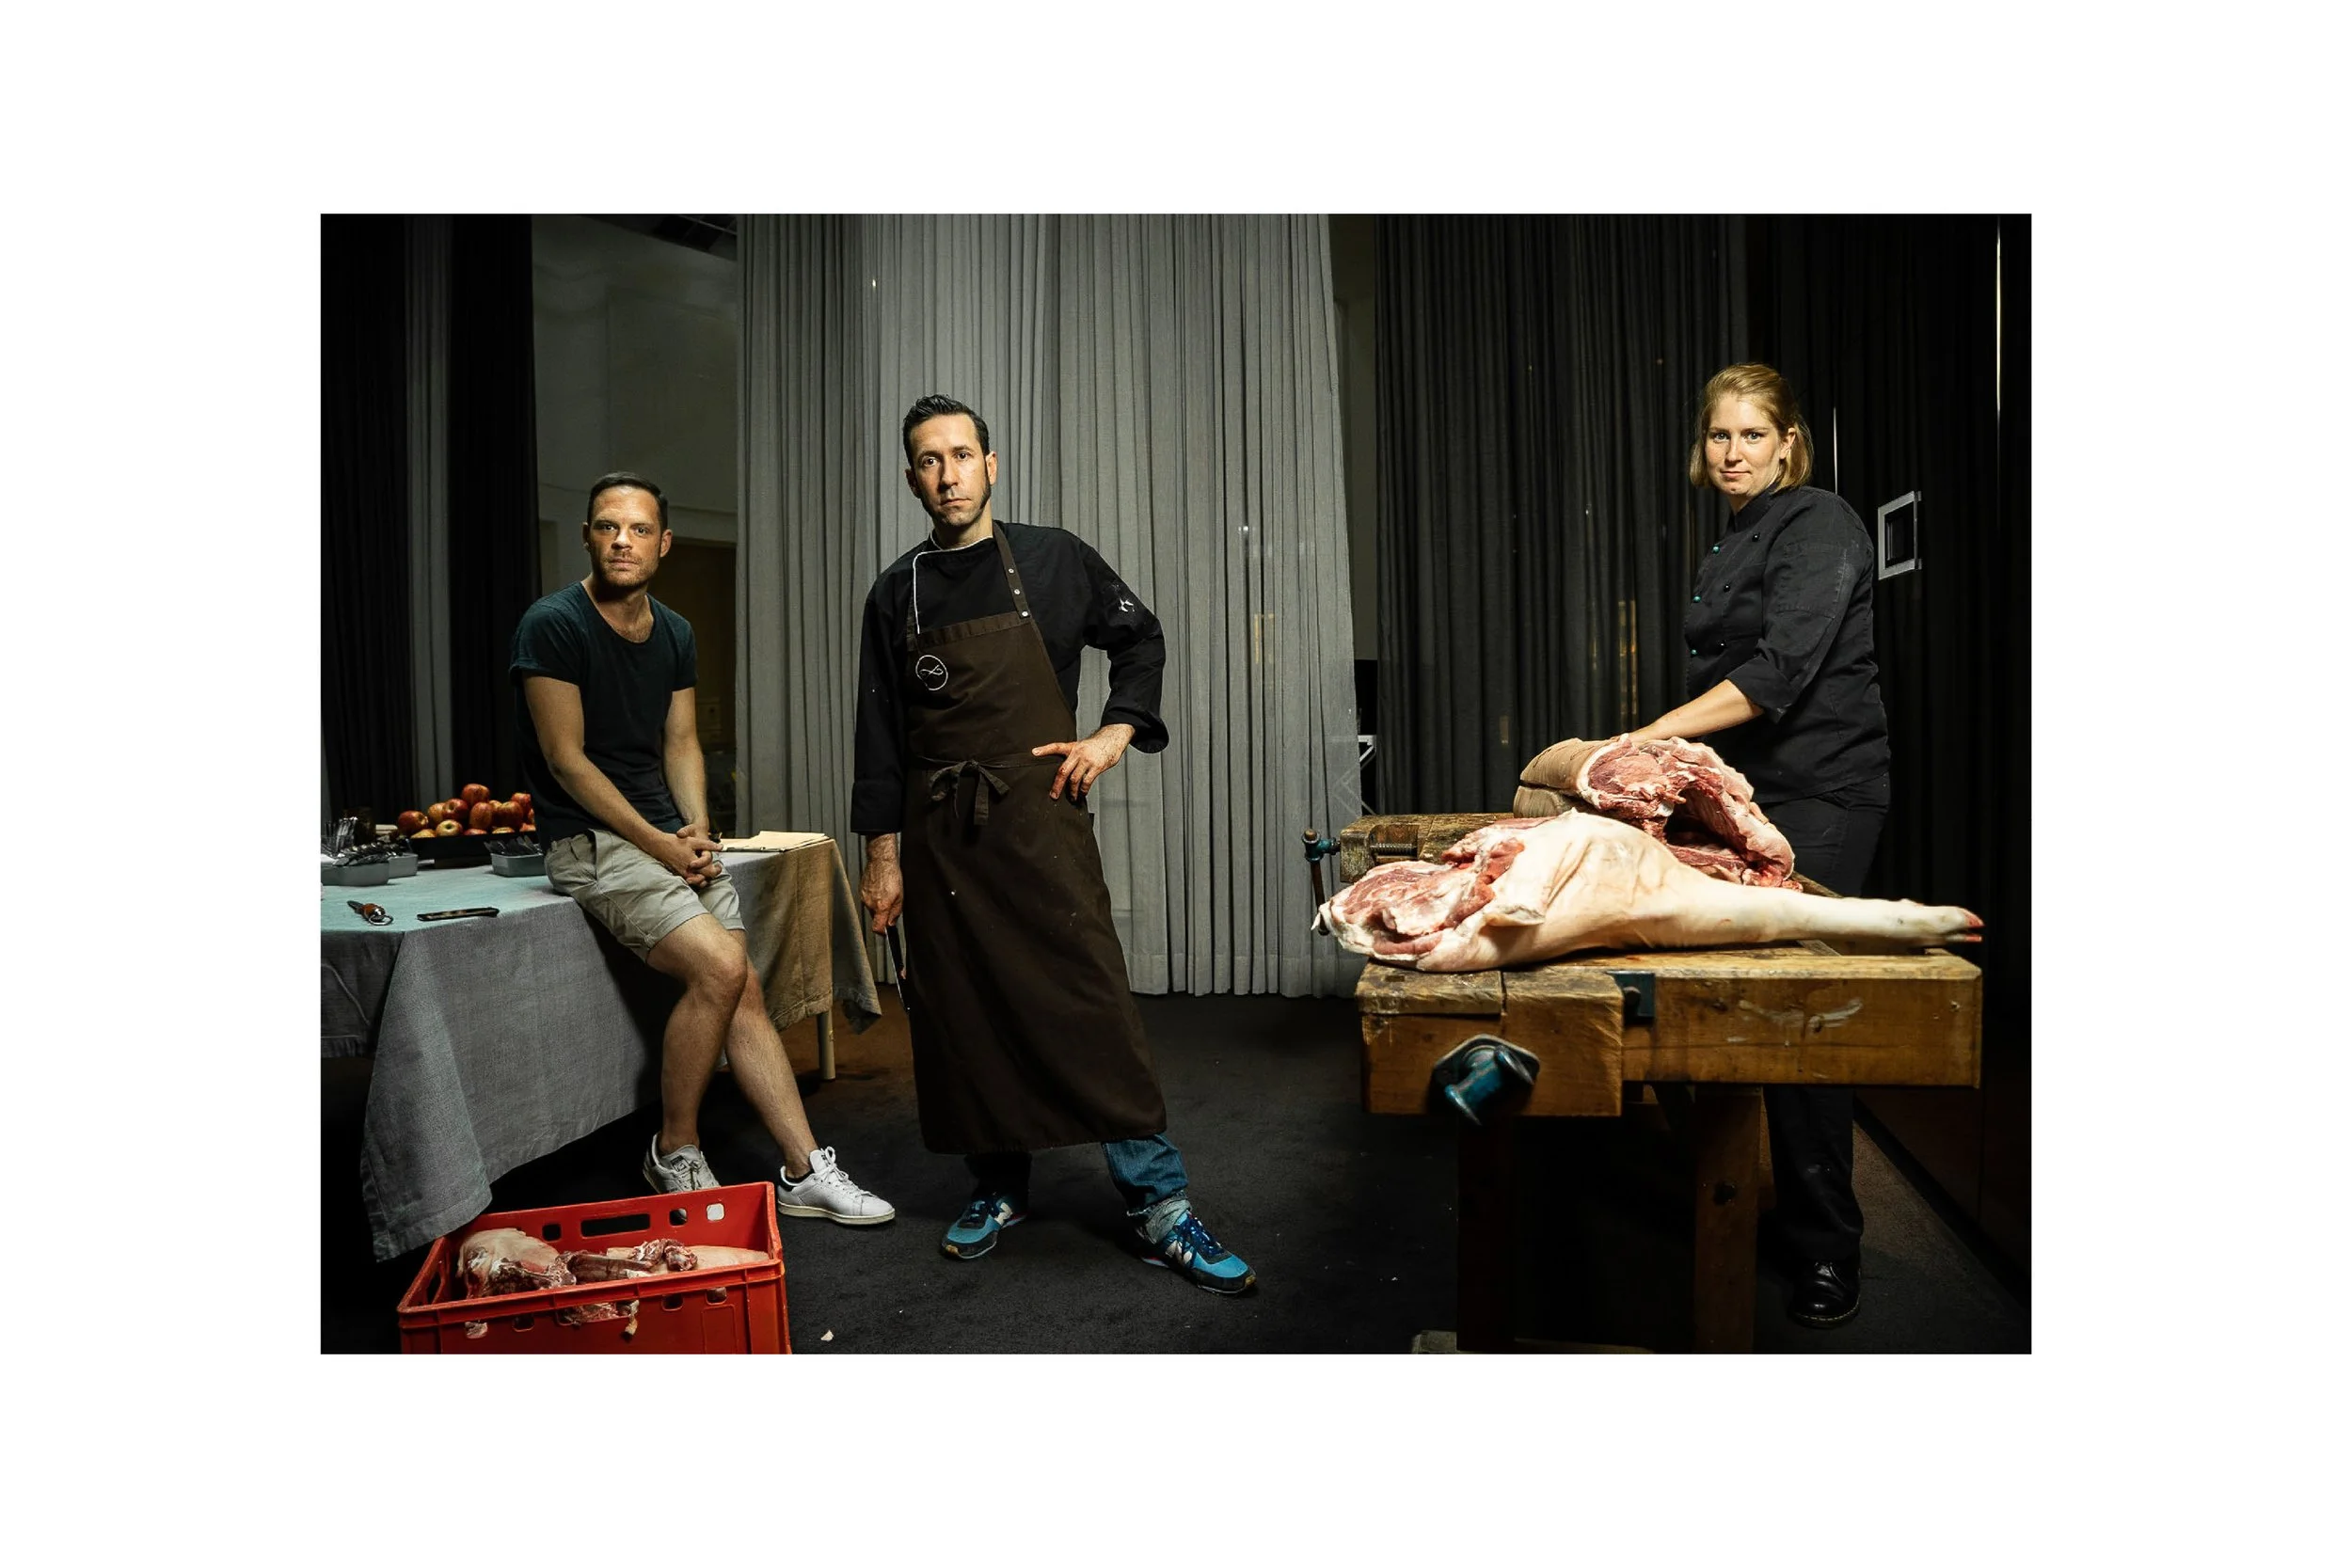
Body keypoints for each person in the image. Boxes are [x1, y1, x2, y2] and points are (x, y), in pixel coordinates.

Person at [851, 394, 1256, 1294]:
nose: (948, 474)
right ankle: (999, 1186)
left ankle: (1158, 1206)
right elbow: (879, 736)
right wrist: (882, 855)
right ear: (911, 478)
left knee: (1089, 1004)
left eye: (962, 455)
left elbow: (1141, 639)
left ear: (991, 465)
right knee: (966, 1013)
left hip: (1040, 823)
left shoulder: (1053, 558)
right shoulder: (895, 591)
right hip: (941, 840)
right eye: (929, 460)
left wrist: (1115, 732)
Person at [512, 471, 895, 1225]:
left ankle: (803, 1169)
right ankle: (674, 1147)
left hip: (663, 834)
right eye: (607, 526)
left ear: (664, 543)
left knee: (739, 983)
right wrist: (659, 842)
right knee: (722, 966)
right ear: (588, 537)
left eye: (638, 529)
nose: (622, 541)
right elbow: (566, 760)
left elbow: (681, 740)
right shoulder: (552, 624)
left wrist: (694, 826)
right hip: (591, 840)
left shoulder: (675, 631)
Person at [1625, 364, 1890, 1328]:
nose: (1732, 452)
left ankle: (1827, 1246)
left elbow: (1778, 671)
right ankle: (1736, 1196)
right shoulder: (1730, 537)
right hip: (1746, 789)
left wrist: (1650, 735)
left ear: (1787, 444)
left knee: (1795, 1009)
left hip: (1824, 793)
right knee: (1723, 986)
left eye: (1750, 435)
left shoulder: (1820, 522)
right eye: (1718, 436)